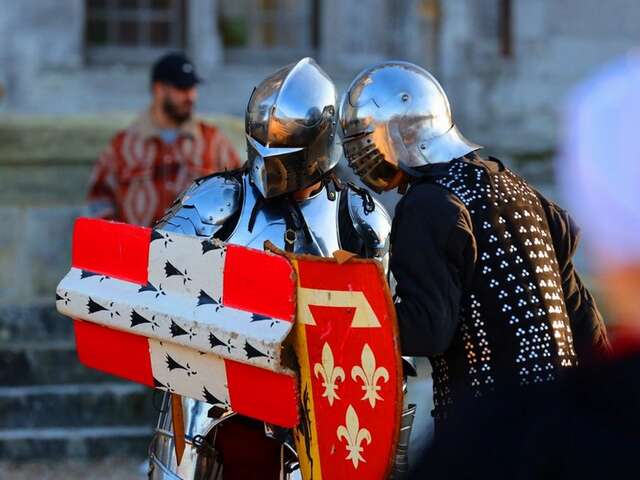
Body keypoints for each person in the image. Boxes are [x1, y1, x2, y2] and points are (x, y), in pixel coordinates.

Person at [148, 57, 393, 480]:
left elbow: (387, 343)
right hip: (213, 408)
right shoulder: (215, 202)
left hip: (320, 410)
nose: (268, 167)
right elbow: (156, 285)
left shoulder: (359, 219)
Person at [339, 61, 610, 435]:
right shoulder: (519, 189)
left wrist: (351, 309)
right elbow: (584, 321)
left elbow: (428, 329)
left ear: (402, 131)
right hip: (560, 421)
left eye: (364, 138)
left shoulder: (427, 205)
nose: (359, 156)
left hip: (490, 431)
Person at [87, 51, 242, 227]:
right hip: (137, 252)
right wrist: (115, 242)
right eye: (182, 88)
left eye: (193, 88)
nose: (191, 97)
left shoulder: (214, 142)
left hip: (198, 252)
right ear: (159, 90)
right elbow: (98, 199)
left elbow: (242, 193)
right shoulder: (122, 146)